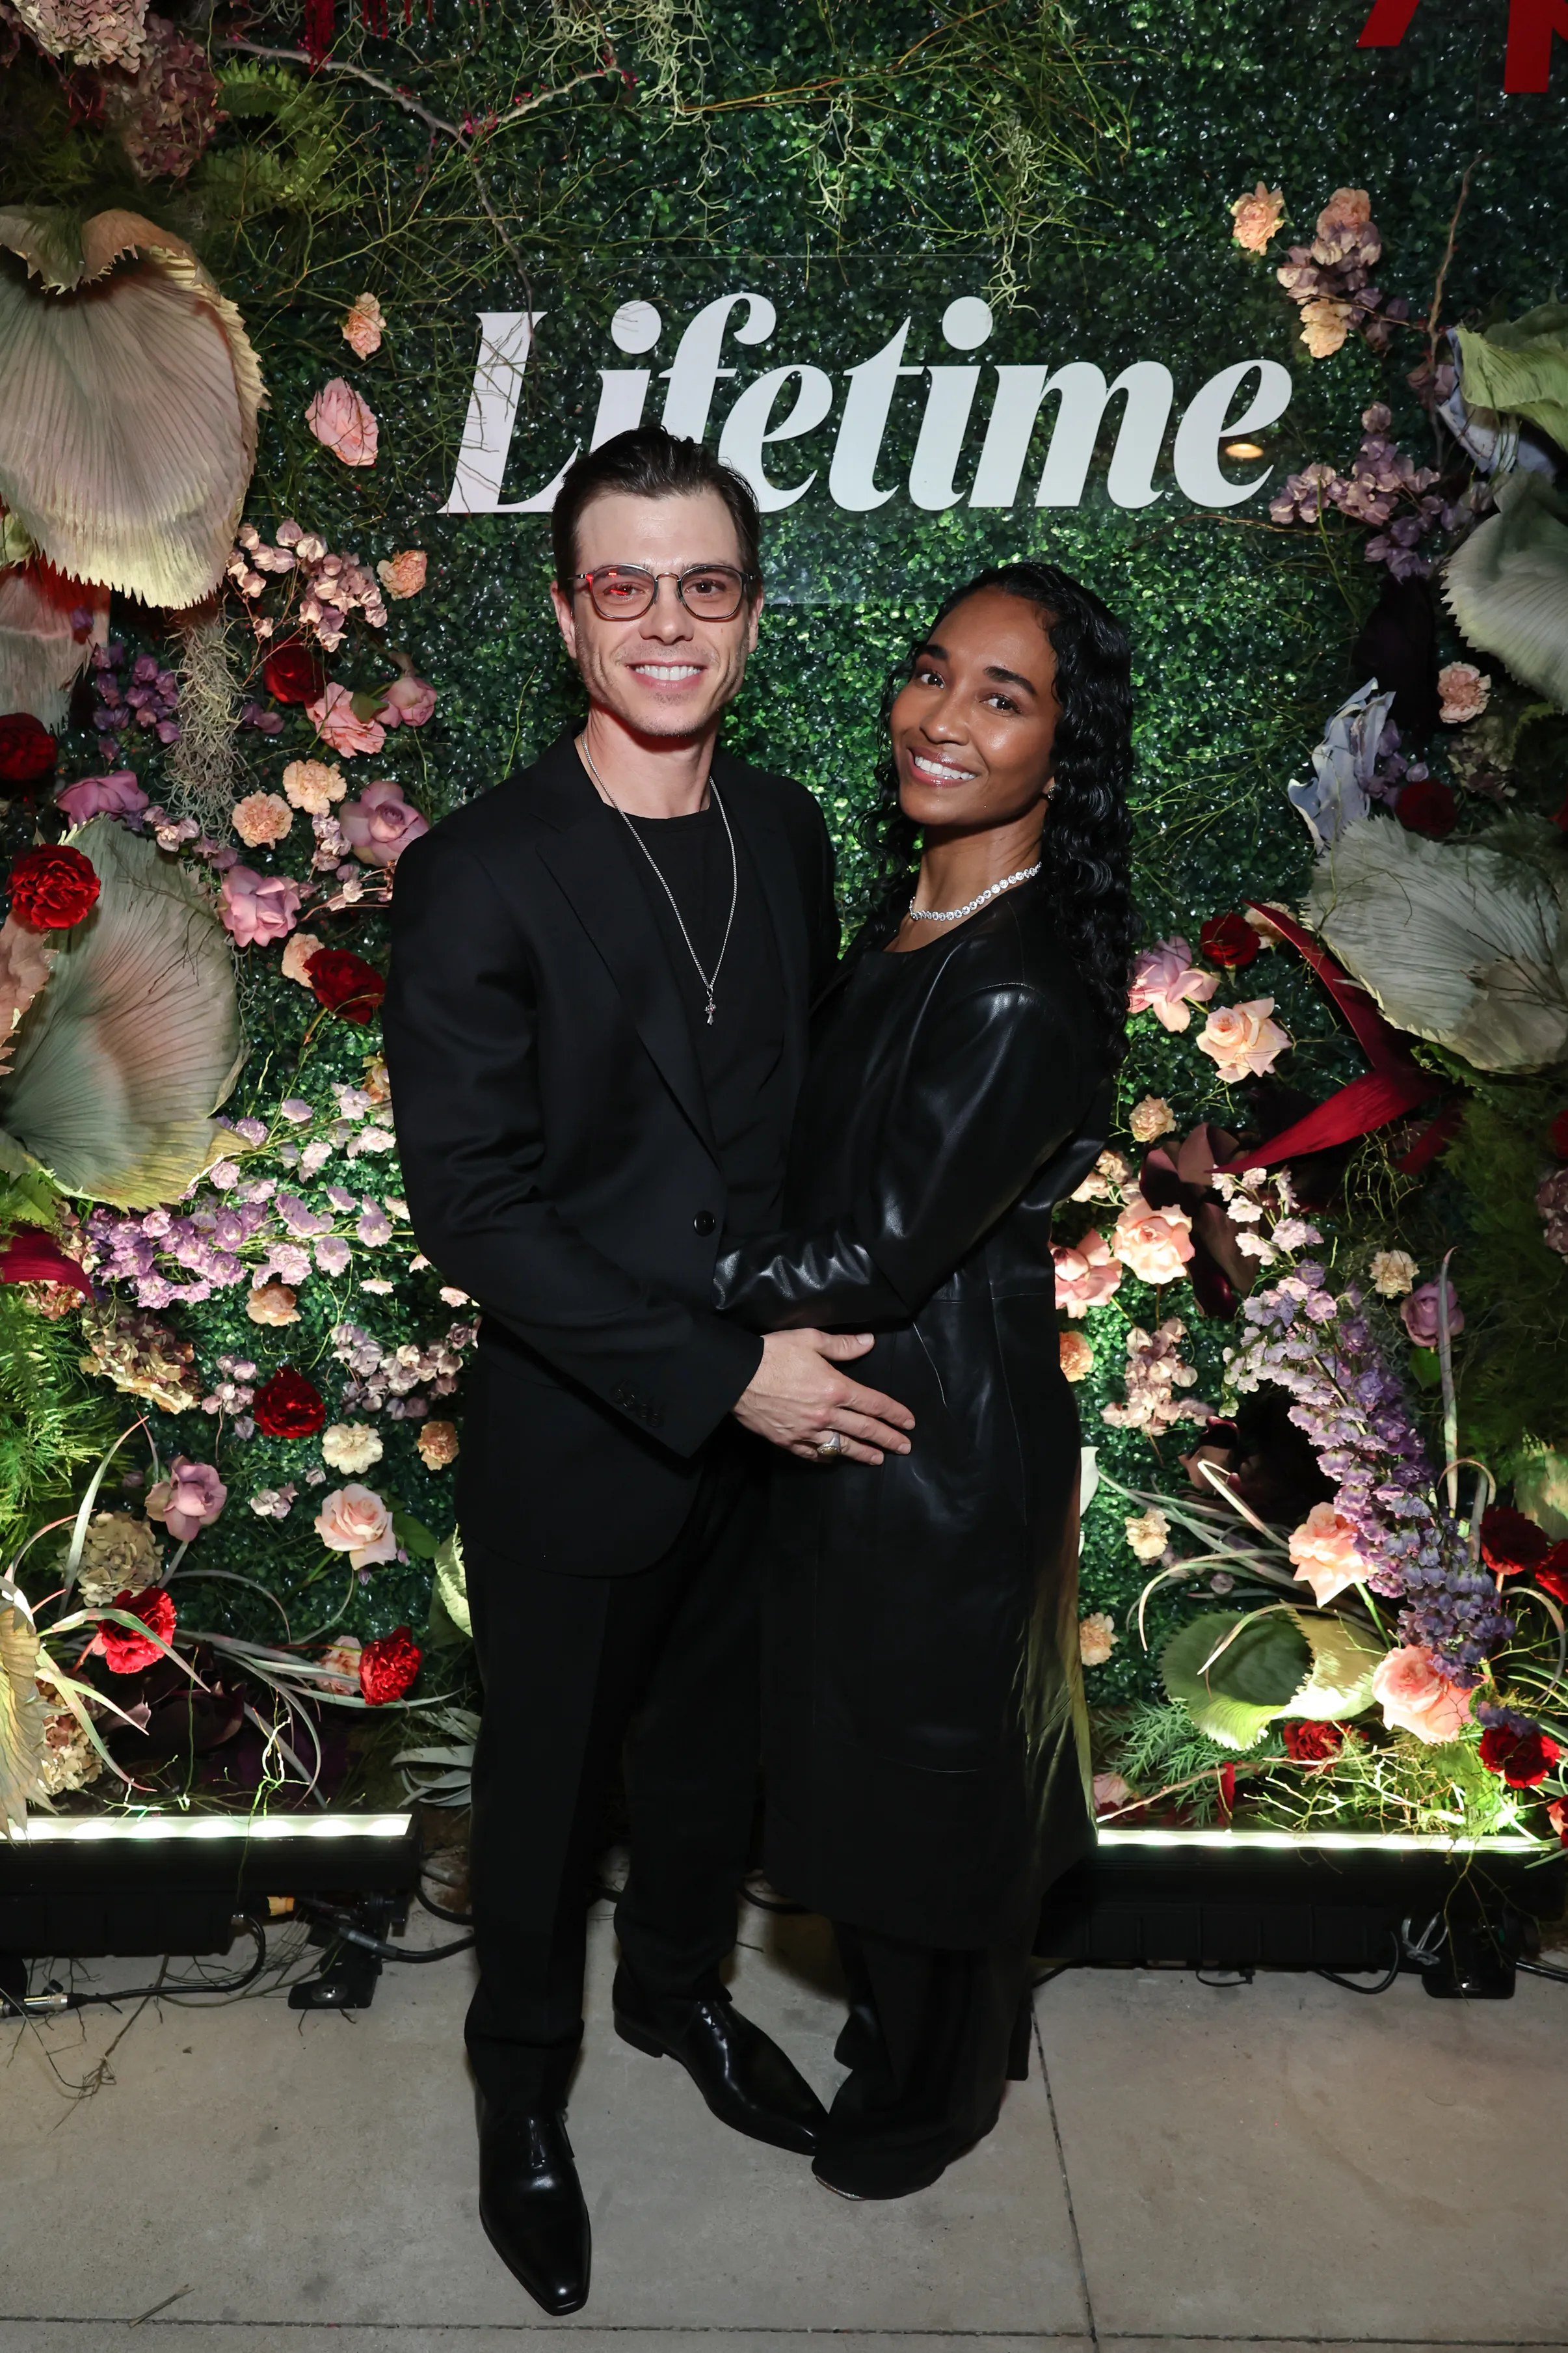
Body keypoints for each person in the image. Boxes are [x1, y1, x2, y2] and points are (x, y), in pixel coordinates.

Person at [383, 426, 914, 2315]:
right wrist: (720, 1373)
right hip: (586, 1437)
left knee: (710, 1770)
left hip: (763, 1440)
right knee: (543, 1801)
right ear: (566, 612)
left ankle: (677, 1995)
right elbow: (478, 1210)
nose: (666, 623)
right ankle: (519, 2100)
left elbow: (784, 1127)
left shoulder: (785, 828)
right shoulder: (478, 874)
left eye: (705, 587)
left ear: (752, 619)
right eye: (626, 585)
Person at [713, 561, 1131, 2200]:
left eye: (999, 696)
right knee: (882, 1782)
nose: (937, 716)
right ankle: (919, 2033)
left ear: (1061, 752)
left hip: (934, 1445)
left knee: (929, 1798)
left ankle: (938, 2090)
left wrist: (646, 1282)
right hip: (870, 1425)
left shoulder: (1018, 978)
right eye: (932, 670)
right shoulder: (916, 914)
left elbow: (880, 1251)